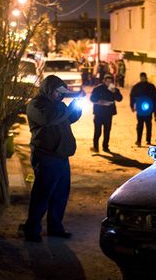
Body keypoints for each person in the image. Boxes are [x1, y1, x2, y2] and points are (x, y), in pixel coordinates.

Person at [23, 75, 84, 242]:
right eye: (58, 92)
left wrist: (76, 110)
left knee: (60, 195)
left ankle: (55, 228)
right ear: (50, 89)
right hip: (46, 156)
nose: (60, 95)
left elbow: (68, 119)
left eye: (62, 93)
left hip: (61, 156)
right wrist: (68, 109)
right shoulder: (36, 105)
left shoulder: (58, 104)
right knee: (42, 194)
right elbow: (49, 119)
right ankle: (32, 230)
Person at [90, 73, 123, 153]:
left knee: (107, 131)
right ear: (104, 81)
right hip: (99, 113)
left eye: (110, 81)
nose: (108, 83)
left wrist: (115, 92)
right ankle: (96, 147)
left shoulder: (113, 89)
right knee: (97, 131)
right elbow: (92, 98)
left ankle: (105, 146)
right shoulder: (98, 88)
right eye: (107, 81)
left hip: (108, 113)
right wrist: (98, 101)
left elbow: (119, 99)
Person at [130, 72, 156, 146]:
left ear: (146, 78)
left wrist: (155, 108)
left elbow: (155, 97)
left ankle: (148, 140)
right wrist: (132, 106)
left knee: (148, 124)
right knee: (140, 125)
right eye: (141, 78)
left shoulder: (151, 86)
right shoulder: (136, 87)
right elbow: (132, 96)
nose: (143, 79)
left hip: (148, 108)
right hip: (140, 108)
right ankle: (139, 140)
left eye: (144, 78)